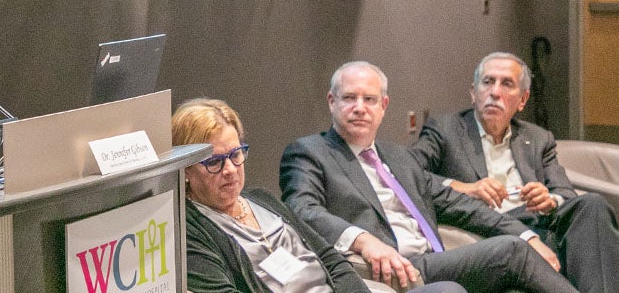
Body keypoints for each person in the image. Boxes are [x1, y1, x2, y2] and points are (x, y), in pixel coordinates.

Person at [280, 61, 580, 293]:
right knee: (511, 251)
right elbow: (300, 209)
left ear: (383, 106)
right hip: (383, 271)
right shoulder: (309, 152)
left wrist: (528, 235)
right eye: (349, 98)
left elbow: (462, 206)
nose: (360, 108)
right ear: (331, 101)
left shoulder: (398, 157)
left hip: (431, 261)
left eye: (369, 99)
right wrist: (363, 240)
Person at [173, 98, 465, 293]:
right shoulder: (190, 229)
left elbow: (330, 258)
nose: (230, 170)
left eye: (236, 154)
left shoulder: (261, 199)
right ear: (185, 169)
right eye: (214, 162)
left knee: (449, 290)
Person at [411, 52, 619, 293]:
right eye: (487, 82)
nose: (495, 92)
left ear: (523, 99)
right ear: (473, 92)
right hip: (489, 231)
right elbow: (408, 174)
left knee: (592, 205)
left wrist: (549, 200)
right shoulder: (445, 130)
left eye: (506, 84)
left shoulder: (537, 138)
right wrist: (467, 188)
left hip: (538, 224)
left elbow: (565, 192)